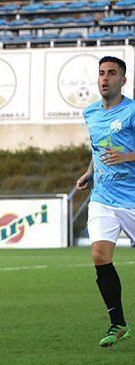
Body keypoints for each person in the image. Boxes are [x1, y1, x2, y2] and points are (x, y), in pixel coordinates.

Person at [76, 56, 134, 348]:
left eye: (112, 73)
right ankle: (118, 323)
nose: (105, 78)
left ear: (123, 80)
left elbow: (121, 152)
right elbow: (98, 150)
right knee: (100, 255)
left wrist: (126, 157)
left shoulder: (133, 111)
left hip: (133, 199)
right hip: (104, 198)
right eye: (101, 73)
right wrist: (89, 173)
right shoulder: (90, 113)